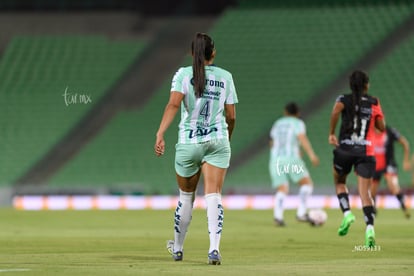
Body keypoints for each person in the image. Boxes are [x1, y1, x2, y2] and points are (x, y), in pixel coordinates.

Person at [154, 32, 238, 265]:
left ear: (192, 53)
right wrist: (226, 138)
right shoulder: (225, 77)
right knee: (213, 195)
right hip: (217, 141)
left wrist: (160, 133)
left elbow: (173, 104)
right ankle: (213, 250)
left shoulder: (182, 74)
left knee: (186, 196)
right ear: (213, 53)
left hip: (189, 142)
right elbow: (231, 116)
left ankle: (178, 248)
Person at [328, 70, 385, 248]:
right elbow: (381, 127)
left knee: (339, 182)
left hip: (345, 149)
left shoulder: (342, 100)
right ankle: (369, 228)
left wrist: (331, 133)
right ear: (366, 85)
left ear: (351, 85)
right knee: (365, 193)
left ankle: (347, 214)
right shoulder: (374, 102)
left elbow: (335, 112)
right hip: (365, 151)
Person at [269, 102, 319, 227]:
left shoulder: (277, 124)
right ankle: (301, 213)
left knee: (282, 189)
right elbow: (302, 138)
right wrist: (311, 155)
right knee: (306, 184)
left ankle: (278, 216)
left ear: (285, 112)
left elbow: (271, 143)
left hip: (275, 160)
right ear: (298, 113)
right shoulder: (298, 123)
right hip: (291, 159)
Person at [371, 126, 411, 218]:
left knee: (392, 186)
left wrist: (405, 161)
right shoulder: (370, 133)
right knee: (372, 191)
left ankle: (404, 208)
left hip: (389, 164)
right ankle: (373, 211)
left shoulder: (389, 131)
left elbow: (405, 143)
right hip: (375, 166)